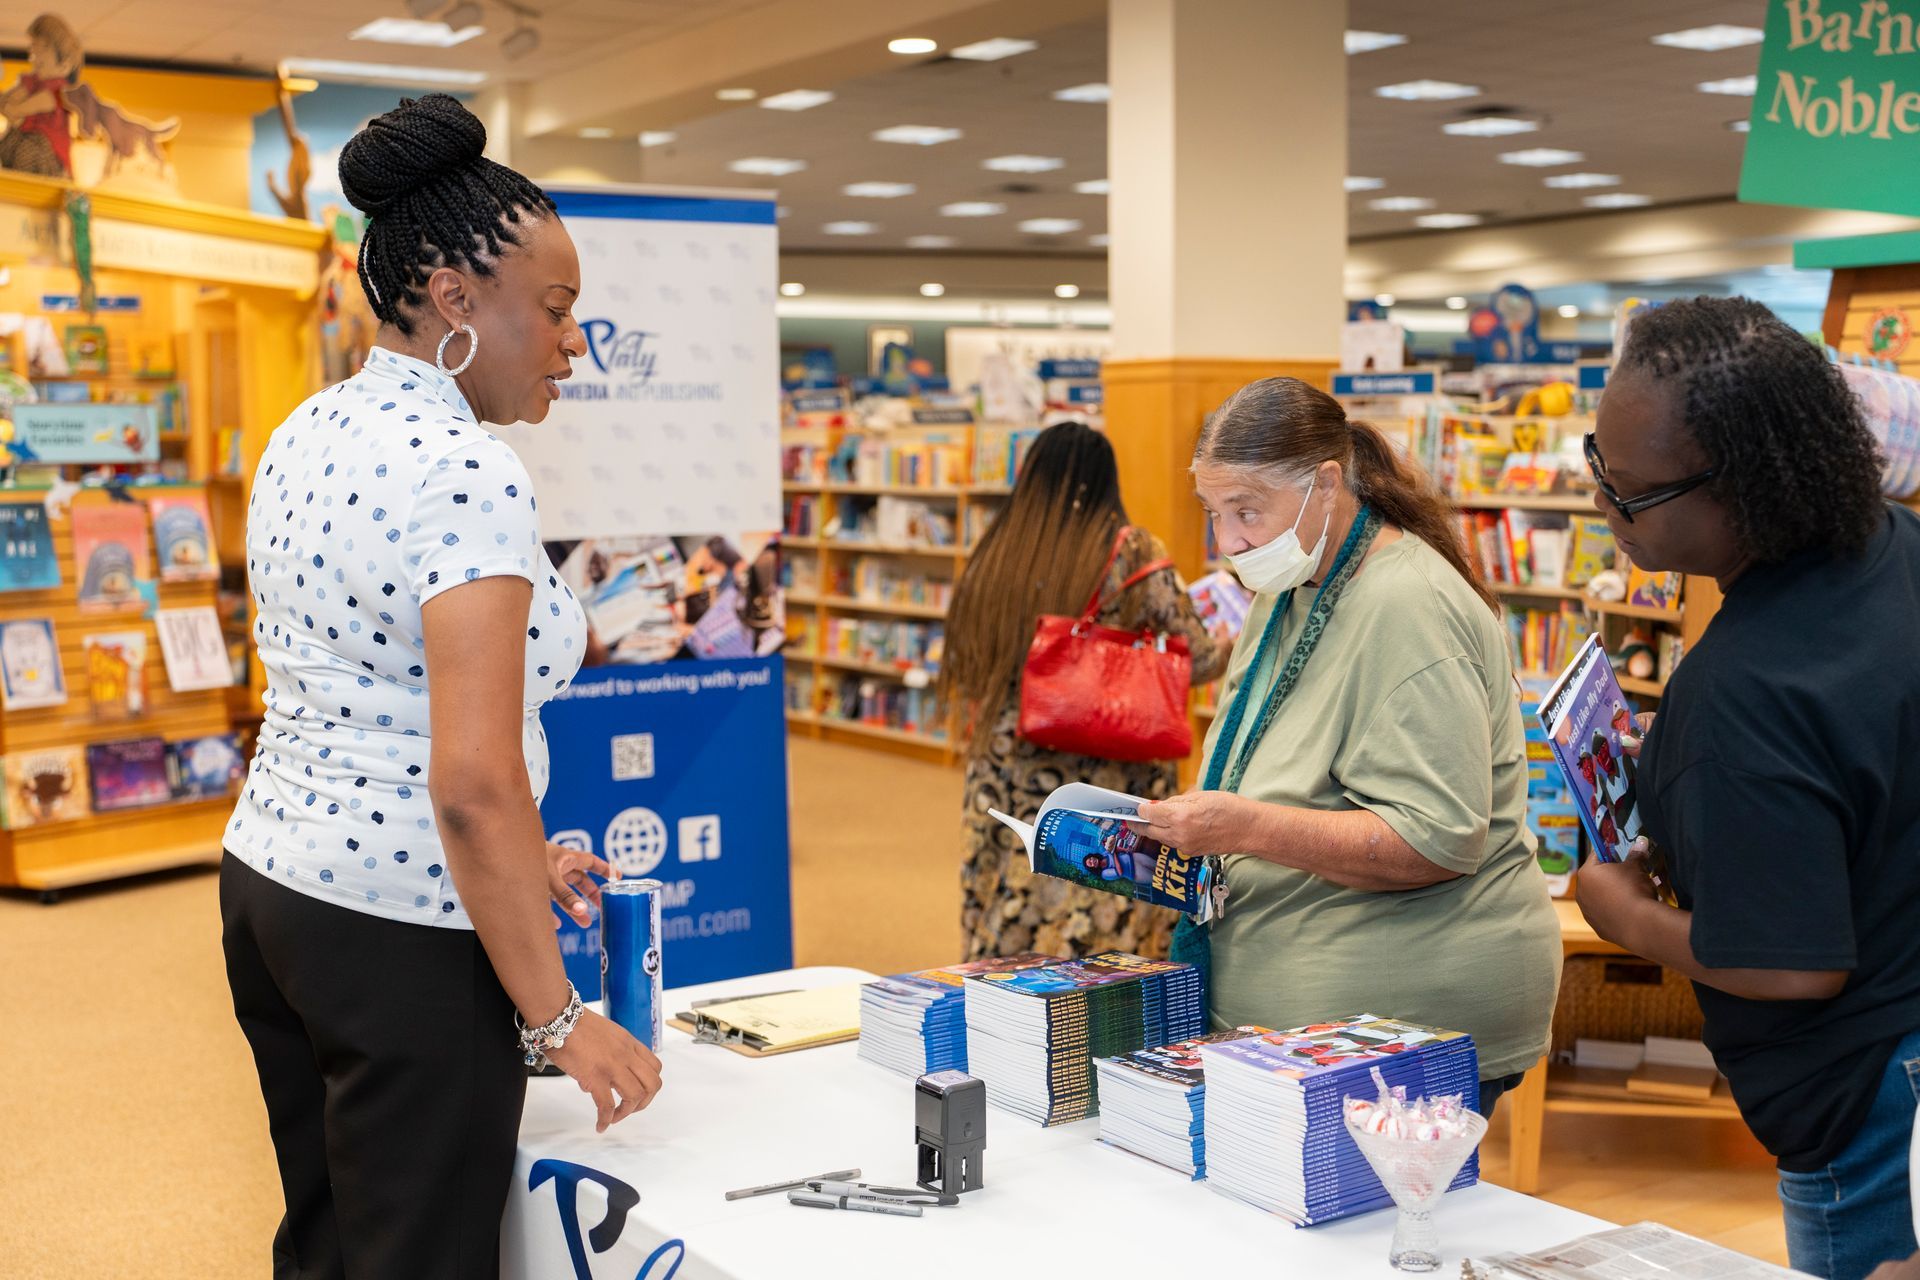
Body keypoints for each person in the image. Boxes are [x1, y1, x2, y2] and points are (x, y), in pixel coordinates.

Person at [219, 95, 662, 1280]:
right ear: (457, 300)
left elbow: (363, 691)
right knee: (422, 1254)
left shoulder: (306, 428)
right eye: (558, 310)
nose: (576, 343)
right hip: (402, 933)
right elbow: (469, 778)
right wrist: (560, 1016)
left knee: (329, 1236)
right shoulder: (469, 472)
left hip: (275, 887)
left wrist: (525, 859)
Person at [1572, 297, 1920, 1280]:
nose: (1605, 502)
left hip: (1870, 1093)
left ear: (1745, 487)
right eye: (1597, 465)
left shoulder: (1746, 693)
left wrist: (1624, 913)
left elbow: (1793, 966)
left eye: (1629, 492)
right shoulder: (1889, 544)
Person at [1134, 377, 1560, 1119]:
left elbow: (1436, 838)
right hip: (1310, 1006)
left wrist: (1243, 828)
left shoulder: (1405, 605)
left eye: (1247, 511)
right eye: (1215, 513)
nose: (1227, 542)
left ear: (1326, 486)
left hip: (1398, 1019)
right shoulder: (1294, 585)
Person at [943, 421, 1227, 960]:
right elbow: (1198, 658)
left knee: (1004, 907)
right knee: (1099, 924)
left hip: (1004, 769)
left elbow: (965, 657)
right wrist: (1237, 642)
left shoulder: (997, 550)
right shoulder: (1133, 549)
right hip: (1105, 777)